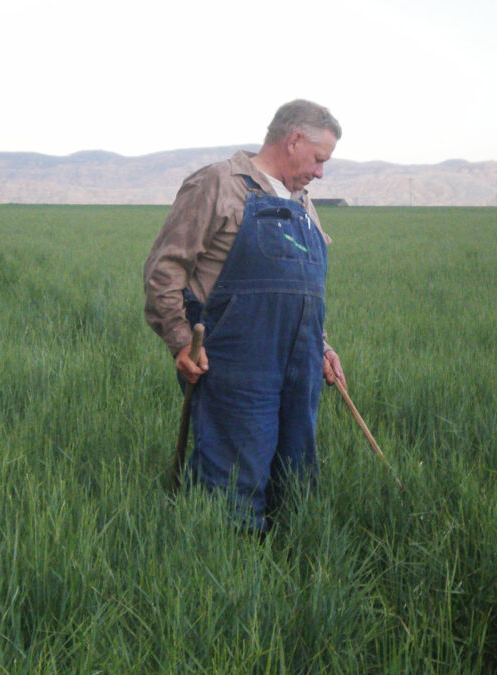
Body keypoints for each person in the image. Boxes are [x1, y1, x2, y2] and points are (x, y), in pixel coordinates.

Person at [143, 99, 346, 532]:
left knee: (294, 476)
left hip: (300, 365)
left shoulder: (303, 204)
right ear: (293, 141)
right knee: (233, 478)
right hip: (235, 363)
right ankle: (225, 574)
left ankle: (288, 567)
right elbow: (165, 269)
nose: (320, 172)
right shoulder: (218, 184)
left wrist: (321, 346)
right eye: (318, 159)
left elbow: (303, 289)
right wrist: (180, 340)